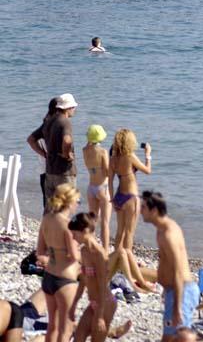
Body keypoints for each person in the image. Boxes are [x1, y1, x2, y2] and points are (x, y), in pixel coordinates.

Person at [140, 190, 199, 340]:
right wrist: (166, 290)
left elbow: (178, 272)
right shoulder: (161, 229)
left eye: (143, 208)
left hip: (182, 291)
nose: (140, 211)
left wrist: (177, 306)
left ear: (154, 210)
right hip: (174, 291)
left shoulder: (169, 234)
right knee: (170, 337)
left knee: (179, 337)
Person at [36, 183, 81, 342]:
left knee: (52, 327)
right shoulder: (68, 226)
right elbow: (75, 257)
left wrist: (54, 256)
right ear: (69, 202)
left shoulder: (47, 219)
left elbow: (40, 252)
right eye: (78, 201)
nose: (78, 205)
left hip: (49, 277)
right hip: (65, 280)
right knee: (66, 328)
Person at [68, 212, 117, 342]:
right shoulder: (84, 251)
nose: (73, 237)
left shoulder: (100, 255)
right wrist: (73, 305)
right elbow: (83, 281)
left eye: (74, 234)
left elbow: (102, 285)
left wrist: (100, 316)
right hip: (94, 303)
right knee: (78, 337)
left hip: (105, 304)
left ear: (85, 231)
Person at [29, 93, 78, 204]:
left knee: (52, 209)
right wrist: (66, 154)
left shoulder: (48, 122)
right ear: (68, 108)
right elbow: (67, 140)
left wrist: (44, 154)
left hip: (50, 172)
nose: (74, 110)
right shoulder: (65, 122)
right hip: (64, 173)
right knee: (66, 208)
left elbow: (31, 139)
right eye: (73, 107)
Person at [109, 129, 151, 253]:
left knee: (119, 231)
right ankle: (127, 260)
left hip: (119, 196)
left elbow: (110, 181)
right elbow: (148, 170)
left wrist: (112, 200)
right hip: (131, 198)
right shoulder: (130, 156)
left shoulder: (113, 159)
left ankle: (116, 260)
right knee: (129, 233)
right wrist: (148, 154)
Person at [83, 125, 111, 252]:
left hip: (91, 187)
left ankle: (91, 248)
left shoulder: (84, 150)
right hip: (102, 187)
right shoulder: (103, 152)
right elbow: (107, 172)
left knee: (92, 221)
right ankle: (105, 251)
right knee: (105, 222)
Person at [27, 97, 58, 209]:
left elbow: (31, 140)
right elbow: (30, 140)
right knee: (53, 205)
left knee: (48, 204)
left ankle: (48, 225)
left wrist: (43, 154)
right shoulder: (50, 125)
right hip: (50, 170)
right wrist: (46, 154)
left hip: (44, 169)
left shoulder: (46, 123)